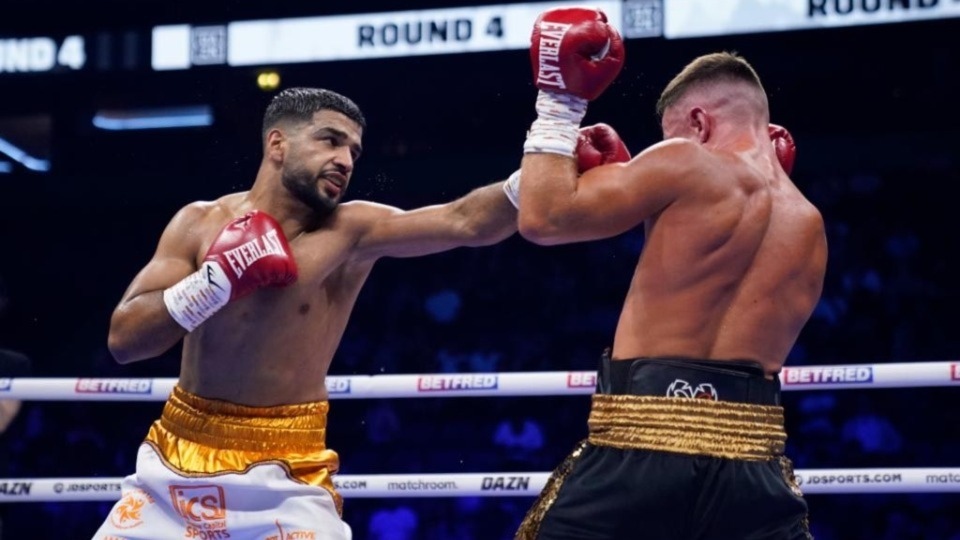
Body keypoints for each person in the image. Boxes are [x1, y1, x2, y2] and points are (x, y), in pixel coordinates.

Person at [92, 87, 526, 540]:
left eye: (354, 151)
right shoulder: (199, 222)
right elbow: (124, 341)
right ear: (277, 144)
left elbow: (465, 221)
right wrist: (215, 282)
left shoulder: (352, 231)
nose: (346, 160)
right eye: (330, 141)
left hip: (286, 469)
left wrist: (547, 153)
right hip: (177, 457)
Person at [509, 7, 825, 540]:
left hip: (643, 442)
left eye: (673, 133)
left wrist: (559, 105)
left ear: (698, 123)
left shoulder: (686, 161)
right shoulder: (810, 223)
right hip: (755, 463)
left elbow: (543, 218)